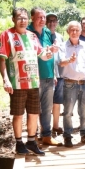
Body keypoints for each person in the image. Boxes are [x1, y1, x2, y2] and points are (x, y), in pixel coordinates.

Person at [0, 8, 53, 155]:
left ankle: (31, 141)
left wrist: (51, 51)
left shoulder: (32, 36)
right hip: (17, 83)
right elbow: (1, 58)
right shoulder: (6, 35)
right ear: (14, 20)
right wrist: (5, 79)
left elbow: (43, 55)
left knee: (34, 113)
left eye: (25, 18)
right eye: (19, 18)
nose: (23, 21)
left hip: (34, 82)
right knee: (18, 114)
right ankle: (18, 142)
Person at [26, 8, 61, 147]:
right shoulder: (27, 32)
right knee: (33, 109)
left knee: (47, 108)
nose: (42, 20)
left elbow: (50, 54)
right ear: (32, 18)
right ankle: (32, 138)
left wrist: (53, 74)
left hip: (49, 76)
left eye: (44, 17)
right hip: (34, 77)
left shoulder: (47, 32)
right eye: (39, 17)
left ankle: (46, 136)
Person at [58, 21, 85, 147]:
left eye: (76, 30)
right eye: (72, 30)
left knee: (84, 111)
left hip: (84, 83)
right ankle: (67, 136)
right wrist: (69, 60)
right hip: (69, 83)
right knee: (68, 111)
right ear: (68, 32)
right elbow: (61, 63)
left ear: (80, 32)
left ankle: (84, 134)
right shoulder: (63, 46)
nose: (74, 32)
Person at [47, 13, 65, 136]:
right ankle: (45, 128)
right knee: (45, 103)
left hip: (59, 73)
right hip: (47, 74)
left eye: (54, 21)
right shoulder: (42, 35)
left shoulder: (60, 37)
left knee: (57, 102)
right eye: (49, 21)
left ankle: (56, 126)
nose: (52, 23)